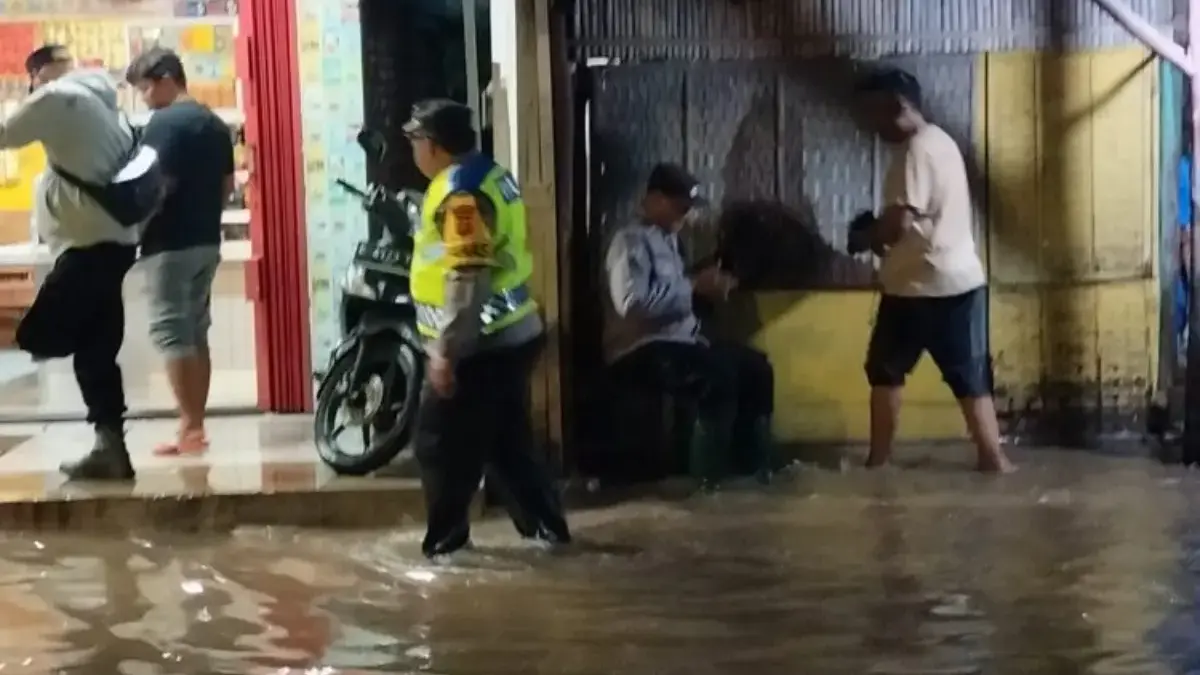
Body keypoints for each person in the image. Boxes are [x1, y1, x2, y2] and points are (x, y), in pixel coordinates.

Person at [405, 98, 571, 558]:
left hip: (483, 346)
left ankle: (445, 549)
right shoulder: (489, 175)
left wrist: (446, 351)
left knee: (437, 444)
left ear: (433, 145)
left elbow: (467, 272)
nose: (412, 150)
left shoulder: (462, 192)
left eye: (415, 140)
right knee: (505, 447)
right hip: (511, 337)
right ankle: (548, 536)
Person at [852, 68, 1014, 473]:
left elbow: (900, 223)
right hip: (960, 281)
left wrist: (868, 236)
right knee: (970, 379)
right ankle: (994, 460)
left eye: (873, 114)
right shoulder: (941, 141)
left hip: (918, 286)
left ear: (898, 105)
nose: (869, 124)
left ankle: (878, 464)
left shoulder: (916, 151)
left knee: (886, 372)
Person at [4, 45, 140, 479]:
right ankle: (110, 446)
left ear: (37, 74)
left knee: (34, 334)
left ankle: (109, 444)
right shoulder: (102, 100)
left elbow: (5, 133)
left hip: (86, 248)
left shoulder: (55, 98)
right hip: (111, 244)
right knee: (95, 349)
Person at [602, 163, 775, 490]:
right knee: (717, 376)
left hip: (681, 343)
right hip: (640, 348)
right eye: (681, 207)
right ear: (655, 200)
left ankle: (752, 474)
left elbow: (681, 293)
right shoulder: (629, 242)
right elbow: (631, 304)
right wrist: (693, 286)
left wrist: (714, 285)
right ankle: (708, 482)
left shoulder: (671, 242)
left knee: (757, 369)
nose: (686, 215)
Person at [125, 47, 234, 456]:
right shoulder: (214, 124)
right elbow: (226, 187)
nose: (145, 98)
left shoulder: (164, 123)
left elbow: (156, 185)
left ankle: (188, 427)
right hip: (206, 241)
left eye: (146, 88)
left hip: (168, 244)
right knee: (195, 330)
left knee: (171, 331)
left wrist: (136, 225)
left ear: (167, 78)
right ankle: (197, 425)